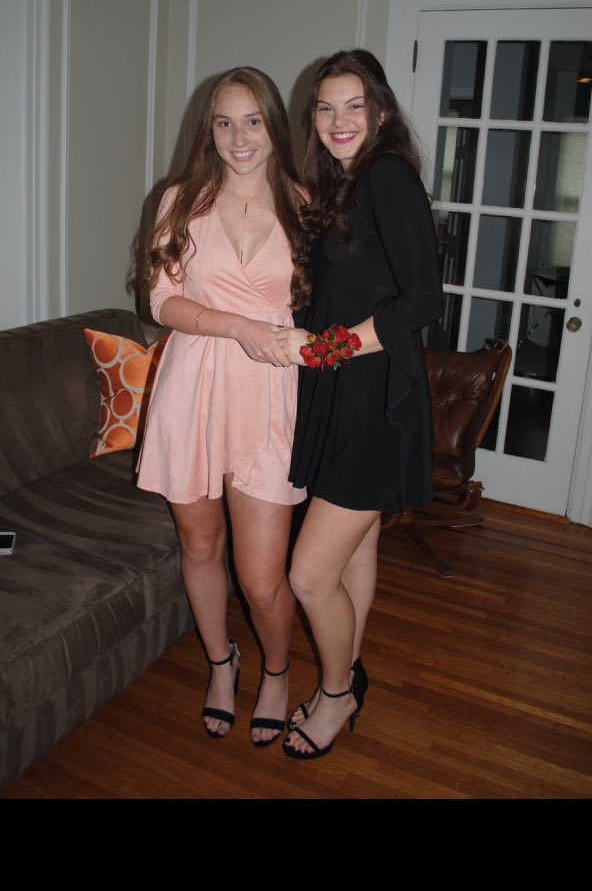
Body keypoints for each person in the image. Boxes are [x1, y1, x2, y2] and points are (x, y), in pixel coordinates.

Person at [276, 49, 443, 760]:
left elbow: (424, 300)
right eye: (325, 108)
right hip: (343, 391)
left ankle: (338, 692)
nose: (339, 121)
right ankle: (347, 671)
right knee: (355, 550)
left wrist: (328, 349)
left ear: (379, 112)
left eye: (354, 106)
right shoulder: (342, 184)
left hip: (373, 398)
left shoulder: (386, 176)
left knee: (308, 574)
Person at [136, 66, 307, 746]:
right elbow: (160, 300)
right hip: (194, 388)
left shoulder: (305, 202)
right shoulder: (180, 199)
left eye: (253, 121)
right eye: (224, 122)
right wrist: (236, 325)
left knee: (262, 579)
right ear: (208, 130)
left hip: (270, 394)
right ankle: (220, 662)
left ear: (274, 127)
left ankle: (277, 672)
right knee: (201, 545)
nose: (239, 138)